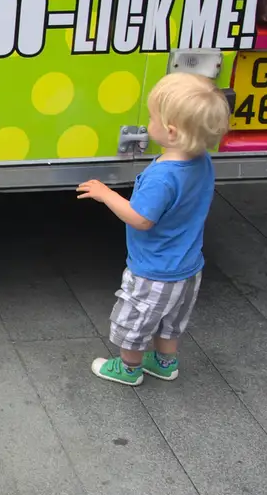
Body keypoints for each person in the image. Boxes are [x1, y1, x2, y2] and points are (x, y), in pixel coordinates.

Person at [77, 72, 230, 386]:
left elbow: (140, 218)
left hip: (154, 271)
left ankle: (129, 368)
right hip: (188, 268)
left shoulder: (163, 177)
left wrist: (106, 194)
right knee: (170, 322)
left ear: (171, 131)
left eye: (151, 117)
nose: (148, 121)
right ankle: (164, 363)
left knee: (134, 321)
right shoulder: (201, 160)